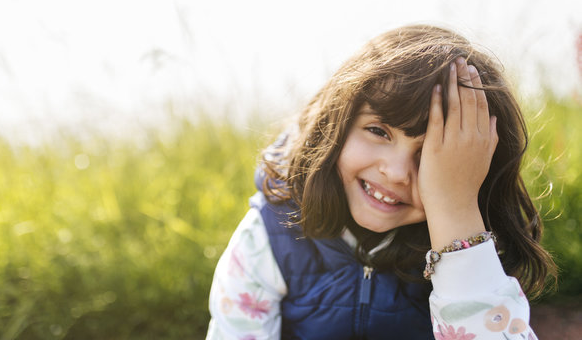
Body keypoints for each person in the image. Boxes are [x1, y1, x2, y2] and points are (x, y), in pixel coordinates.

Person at [206, 24, 556, 339]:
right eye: (378, 131)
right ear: (335, 124)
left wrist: (456, 216)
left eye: (431, 156)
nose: (396, 171)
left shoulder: (475, 238)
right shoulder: (270, 233)